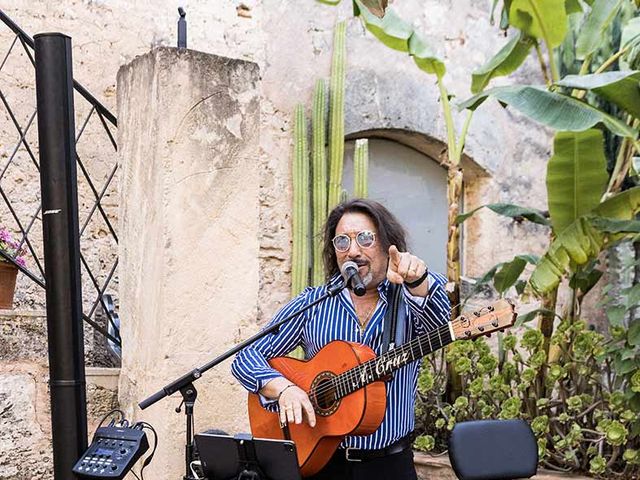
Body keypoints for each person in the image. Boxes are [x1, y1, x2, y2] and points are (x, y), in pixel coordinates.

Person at [231, 198, 451, 479]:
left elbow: (440, 328)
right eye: (342, 242)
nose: (353, 251)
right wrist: (284, 389)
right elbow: (246, 357)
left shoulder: (410, 297)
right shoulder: (313, 303)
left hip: (388, 465)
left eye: (365, 238)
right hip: (320, 462)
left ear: (388, 245)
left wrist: (417, 282)